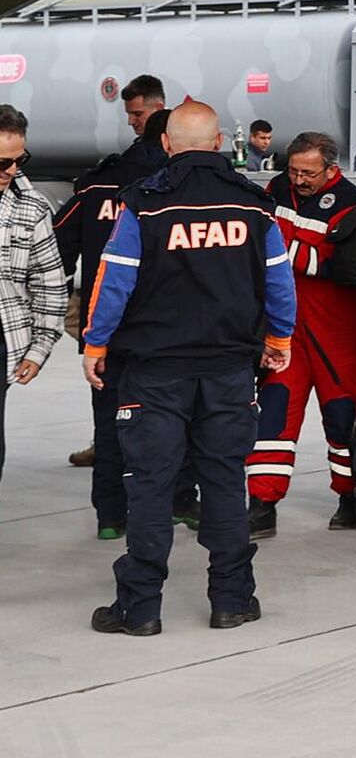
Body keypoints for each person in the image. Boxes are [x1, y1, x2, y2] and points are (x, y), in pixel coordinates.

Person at [81, 100, 295, 636]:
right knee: (224, 479)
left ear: (169, 145)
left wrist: (95, 344)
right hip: (228, 369)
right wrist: (278, 337)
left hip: (154, 370)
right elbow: (278, 281)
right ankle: (232, 600)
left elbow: (114, 281)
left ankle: (140, 609)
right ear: (219, 140)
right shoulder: (255, 205)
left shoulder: (145, 204)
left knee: (150, 485)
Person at [54, 95, 179, 530]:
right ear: (170, 141)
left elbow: (57, 249)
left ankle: (110, 516)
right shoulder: (172, 187)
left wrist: (66, 307)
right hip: (162, 327)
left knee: (109, 419)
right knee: (172, 419)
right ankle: (179, 502)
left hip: (104, 326)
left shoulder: (96, 184)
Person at [249, 133, 356, 535]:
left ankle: (352, 498)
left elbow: (334, 266)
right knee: (274, 414)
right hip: (285, 327)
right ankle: (262, 503)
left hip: (336, 330)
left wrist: (279, 246)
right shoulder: (277, 187)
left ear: (331, 169)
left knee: (343, 415)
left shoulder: (353, 202)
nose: (299, 180)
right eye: (294, 170)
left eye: (309, 173)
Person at [0, 109, 63, 485]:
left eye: (19, 161)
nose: (10, 171)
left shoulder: (32, 207)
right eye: (2, 162)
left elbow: (50, 282)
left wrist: (39, 349)